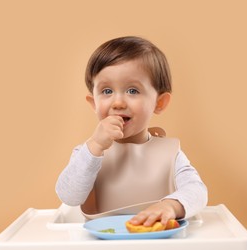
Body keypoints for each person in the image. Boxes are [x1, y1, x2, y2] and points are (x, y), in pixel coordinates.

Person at [56, 36, 207, 227]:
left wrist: (171, 205)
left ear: (159, 103)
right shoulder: (87, 153)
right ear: (94, 103)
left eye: (133, 91)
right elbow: (69, 196)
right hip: (103, 244)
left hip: (158, 242)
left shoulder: (170, 154)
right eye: (107, 91)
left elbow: (197, 191)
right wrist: (94, 147)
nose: (118, 103)